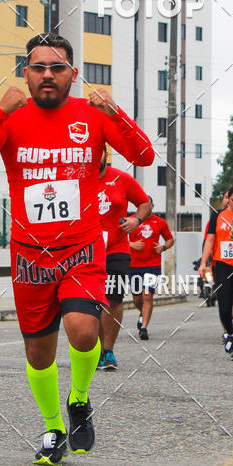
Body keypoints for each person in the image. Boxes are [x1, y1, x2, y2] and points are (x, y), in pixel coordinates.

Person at [0, 33, 154, 465]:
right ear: (25, 74)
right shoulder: (9, 116)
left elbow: (143, 155)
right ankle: (53, 427)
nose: (48, 75)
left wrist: (115, 112)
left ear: (72, 74)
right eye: (39, 68)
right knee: (38, 351)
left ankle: (80, 398)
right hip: (29, 254)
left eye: (58, 68)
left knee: (84, 331)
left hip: (82, 249)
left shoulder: (92, 114)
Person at [96, 153, 150, 370]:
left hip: (116, 250)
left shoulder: (121, 178)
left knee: (113, 299)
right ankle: (91, 350)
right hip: (85, 250)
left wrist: (136, 219)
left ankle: (107, 351)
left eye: (101, 150)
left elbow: (145, 203)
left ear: (105, 155)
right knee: (88, 302)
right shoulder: (77, 179)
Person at [199, 184, 233, 361]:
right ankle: (229, 331)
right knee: (224, 306)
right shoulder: (217, 216)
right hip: (222, 265)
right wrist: (203, 262)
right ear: (227, 199)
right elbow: (210, 239)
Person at [129, 199, 173, 340]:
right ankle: (143, 313)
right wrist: (131, 244)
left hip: (152, 265)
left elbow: (169, 239)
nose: (146, 208)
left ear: (152, 206)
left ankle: (144, 328)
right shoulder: (130, 221)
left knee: (147, 296)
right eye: (143, 205)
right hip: (134, 265)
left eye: (149, 205)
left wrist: (163, 247)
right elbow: (118, 239)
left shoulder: (160, 222)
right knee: (137, 299)